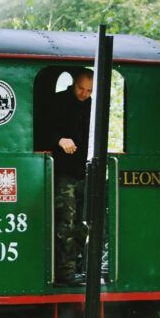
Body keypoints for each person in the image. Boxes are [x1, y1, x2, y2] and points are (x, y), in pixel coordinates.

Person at [48, 69, 92, 285]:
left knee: (83, 223)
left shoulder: (93, 106)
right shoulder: (58, 103)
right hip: (63, 171)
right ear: (73, 84)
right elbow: (43, 130)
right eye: (80, 88)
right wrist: (60, 140)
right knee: (66, 219)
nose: (84, 94)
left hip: (84, 171)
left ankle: (76, 266)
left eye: (89, 90)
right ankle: (64, 270)